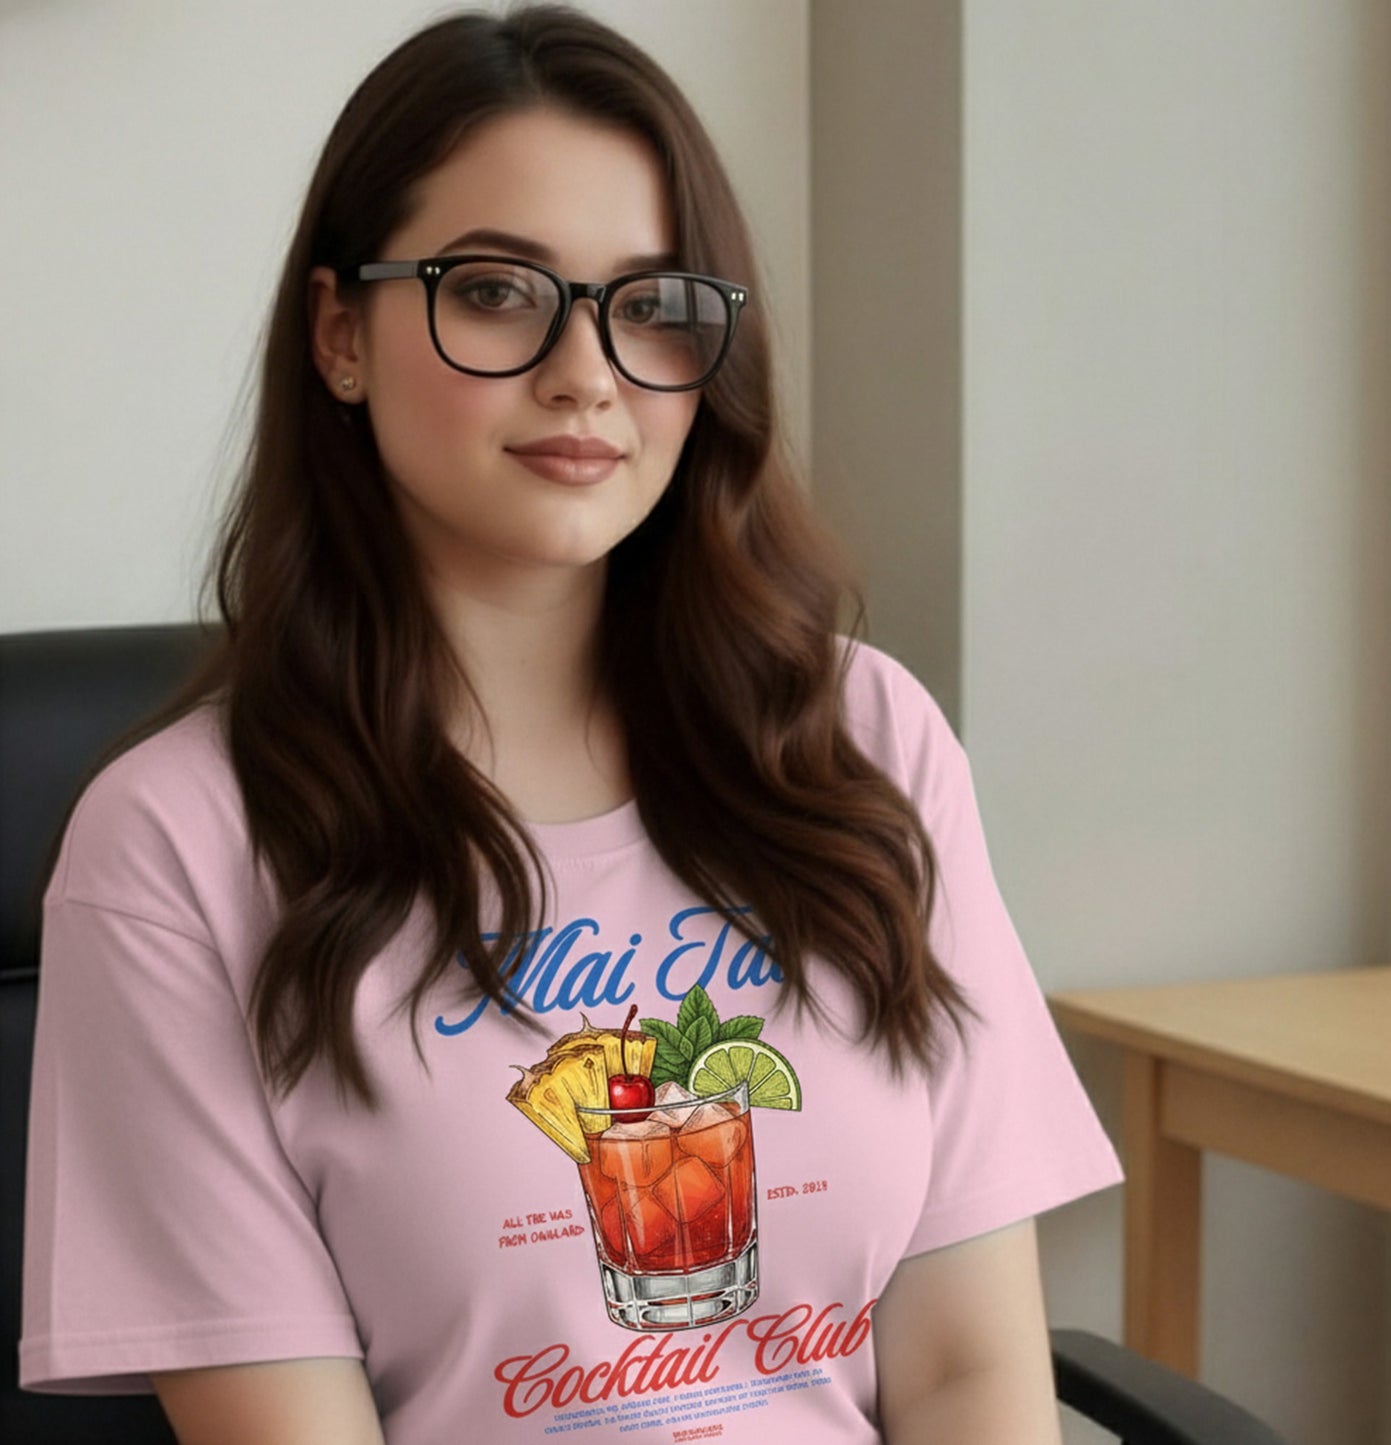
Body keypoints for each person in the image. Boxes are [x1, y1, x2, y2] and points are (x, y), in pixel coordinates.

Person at [20, 7, 1121, 1442]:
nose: (586, 370)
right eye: (495, 291)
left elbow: (971, 1375)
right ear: (340, 334)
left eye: (653, 304)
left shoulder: (862, 741)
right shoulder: (179, 842)